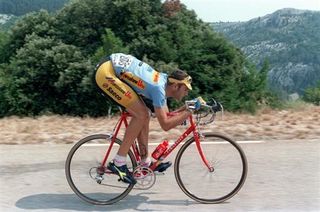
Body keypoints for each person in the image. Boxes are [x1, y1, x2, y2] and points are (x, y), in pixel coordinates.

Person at [94, 53, 193, 184]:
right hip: (106, 73)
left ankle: (144, 162)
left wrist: (184, 110)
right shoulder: (159, 89)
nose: (187, 93)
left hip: (112, 67)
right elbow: (165, 125)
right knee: (141, 115)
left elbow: (166, 115)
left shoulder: (163, 82)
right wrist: (189, 111)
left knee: (144, 114)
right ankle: (118, 161)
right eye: (185, 89)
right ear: (175, 86)